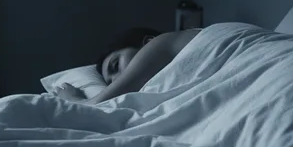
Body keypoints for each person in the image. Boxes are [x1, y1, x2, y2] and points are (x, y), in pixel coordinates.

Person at [56, 26, 201, 105]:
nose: (117, 81)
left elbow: (95, 106)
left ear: (149, 42)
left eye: (116, 65)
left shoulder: (163, 42)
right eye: (110, 83)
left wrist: (73, 100)